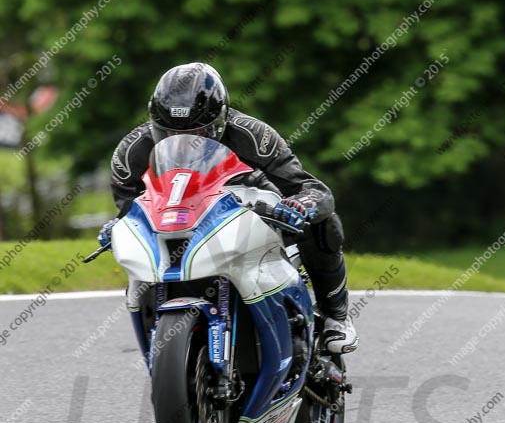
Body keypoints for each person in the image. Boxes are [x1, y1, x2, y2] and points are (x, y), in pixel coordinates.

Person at [99, 63, 358, 354]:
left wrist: (299, 205)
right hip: (176, 223)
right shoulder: (131, 151)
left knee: (324, 224)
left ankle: (336, 314)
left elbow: (312, 189)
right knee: (139, 273)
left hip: (251, 213)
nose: (184, 143)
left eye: (201, 133)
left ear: (221, 118)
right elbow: (129, 210)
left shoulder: (253, 136)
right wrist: (118, 227)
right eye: (168, 133)